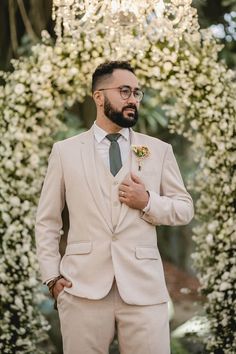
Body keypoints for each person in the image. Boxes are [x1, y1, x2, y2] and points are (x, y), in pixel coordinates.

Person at [35, 61, 194, 354]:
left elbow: (184, 209)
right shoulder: (65, 152)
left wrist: (147, 201)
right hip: (81, 290)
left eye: (137, 92)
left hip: (144, 291)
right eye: (124, 91)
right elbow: (47, 220)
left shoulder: (159, 150)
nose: (133, 99)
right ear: (99, 97)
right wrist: (51, 277)